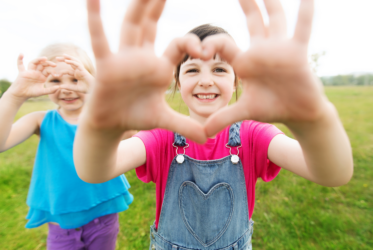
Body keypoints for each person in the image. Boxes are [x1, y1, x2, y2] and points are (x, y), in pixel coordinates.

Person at [74, 0, 353, 249]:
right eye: (193, 69)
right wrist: (100, 129)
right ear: (177, 81)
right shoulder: (160, 138)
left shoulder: (254, 135)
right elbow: (95, 171)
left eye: (219, 69)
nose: (206, 80)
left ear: (236, 81)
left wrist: (314, 121)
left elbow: (334, 174)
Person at [0, 43, 133, 250]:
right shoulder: (40, 120)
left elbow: (133, 128)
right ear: (44, 83)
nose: (66, 88)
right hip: (61, 224)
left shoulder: (103, 119)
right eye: (55, 80)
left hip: (103, 215)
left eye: (76, 79)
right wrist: (15, 95)